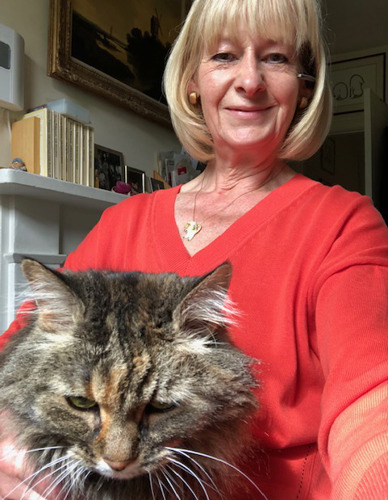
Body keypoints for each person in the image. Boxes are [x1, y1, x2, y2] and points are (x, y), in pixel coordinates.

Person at [1, 0, 387, 498]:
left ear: (303, 88)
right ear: (191, 79)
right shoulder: (123, 220)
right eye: (224, 56)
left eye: (276, 58)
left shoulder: (345, 223)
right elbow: (21, 351)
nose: (250, 80)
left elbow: (372, 397)